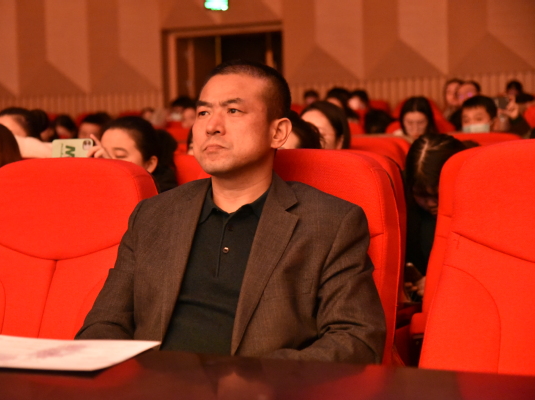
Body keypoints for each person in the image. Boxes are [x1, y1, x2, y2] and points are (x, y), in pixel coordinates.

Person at [76, 59, 386, 364]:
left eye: (233, 110)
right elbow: (104, 325)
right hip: (152, 384)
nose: (212, 126)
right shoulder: (153, 215)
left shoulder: (329, 223)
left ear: (278, 132)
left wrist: (260, 378)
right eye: (203, 112)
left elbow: (356, 339)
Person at [404, 133, 467, 296]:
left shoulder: (480, 209)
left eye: (437, 195)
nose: (431, 204)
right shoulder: (405, 210)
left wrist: (440, 282)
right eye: (421, 195)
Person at [88, 116, 177, 192]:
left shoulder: (166, 199)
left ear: (150, 164)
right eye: (103, 156)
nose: (107, 162)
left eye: (119, 155)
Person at [461, 95, 531, 137]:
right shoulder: (459, 143)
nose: (472, 124)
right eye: (466, 121)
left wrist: (516, 118)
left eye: (478, 119)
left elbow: (526, 136)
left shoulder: (503, 140)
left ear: (493, 122)